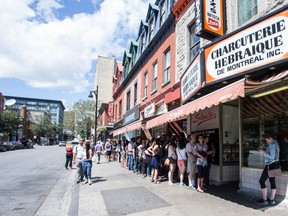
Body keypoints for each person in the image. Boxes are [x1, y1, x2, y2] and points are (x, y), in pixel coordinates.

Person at [256, 134, 280, 205]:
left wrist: (263, 152)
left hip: (270, 165)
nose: (266, 141)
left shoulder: (272, 145)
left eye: (267, 140)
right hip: (276, 164)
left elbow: (271, 157)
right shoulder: (276, 143)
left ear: (270, 138)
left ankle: (264, 200)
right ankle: (272, 200)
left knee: (261, 181)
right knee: (272, 181)